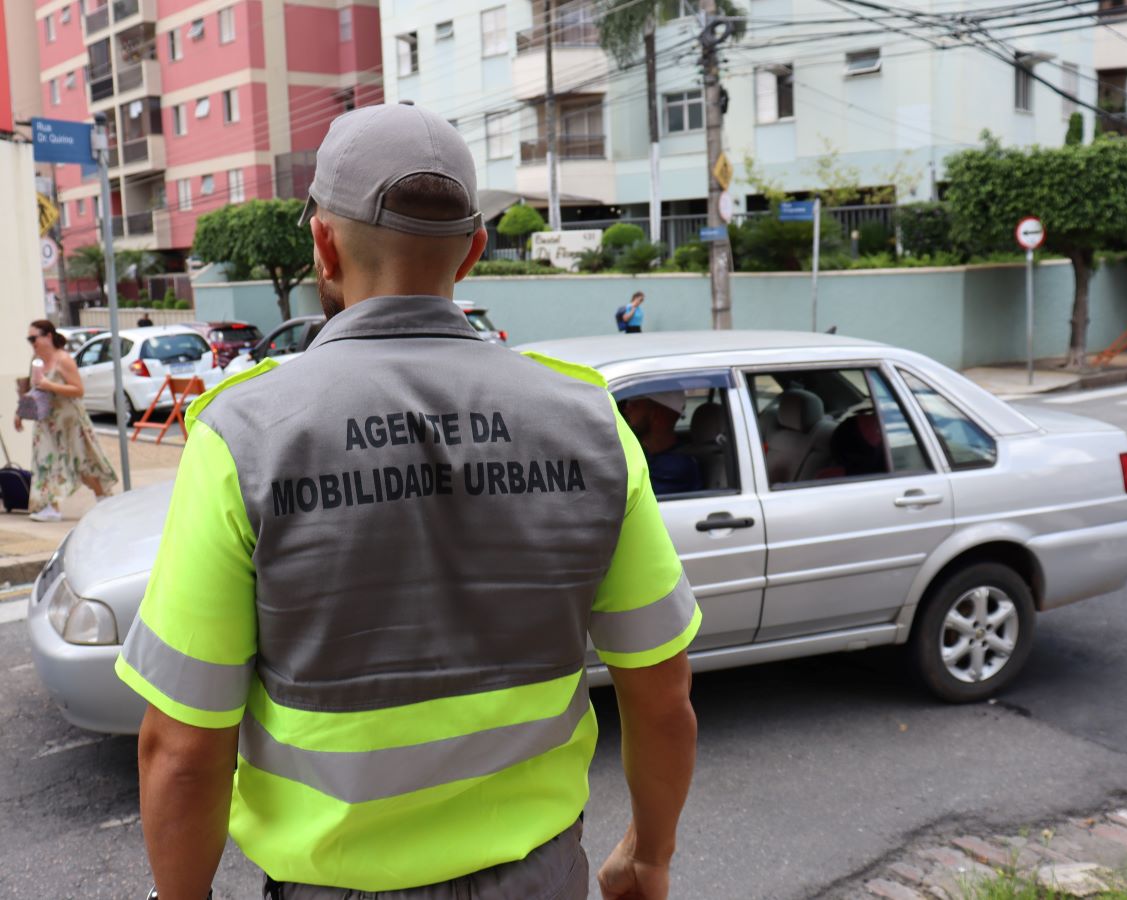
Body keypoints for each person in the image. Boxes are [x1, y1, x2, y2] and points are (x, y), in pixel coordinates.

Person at [115, 103, 700, 900]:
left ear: (324, 244)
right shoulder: (590, 424)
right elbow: (663, 696)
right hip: (541, 881)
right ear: (474, 252)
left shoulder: (244, 438)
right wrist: (647, 855)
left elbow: (182, 750)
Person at [14, 320, 117, 522]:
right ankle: (49, 507)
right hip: (46, 421)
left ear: (48, 336)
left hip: (70, 421)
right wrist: (20, 412)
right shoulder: (36, 360)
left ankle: (103, 498)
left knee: (82, 463)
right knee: (44, 462)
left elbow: (78, 390)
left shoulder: (64, 360)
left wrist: (49, 385)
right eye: (29, 339)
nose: (32, 343)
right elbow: (34, 390)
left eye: (34, 338)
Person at [622, 391, 703, 497]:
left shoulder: (675, 468)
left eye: (634, 405)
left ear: (657, 414)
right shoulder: (649, 454)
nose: (626, 410)